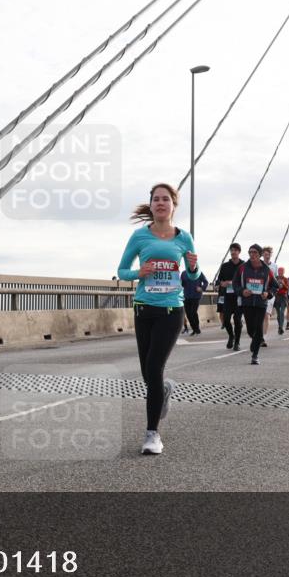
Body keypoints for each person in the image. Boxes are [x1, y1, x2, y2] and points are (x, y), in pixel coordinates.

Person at [117, 182, 197, 456]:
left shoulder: (184, 237)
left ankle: (152, 434)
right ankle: (163, 390)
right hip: (143, 310)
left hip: (172, 311)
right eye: (156, 199)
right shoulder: (140, 237)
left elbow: (193, 276)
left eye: (166, 199)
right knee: (147, 374)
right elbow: (121, 270)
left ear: (173, 205)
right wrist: (140, 272)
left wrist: (195, 268)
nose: (161, 203)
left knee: (153, 366)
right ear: (151, 206)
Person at [234, 244, 278, 365]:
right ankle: (255, 341)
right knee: (250, 330)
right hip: (247, 303)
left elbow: (275, 286)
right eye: (250, 252)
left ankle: (255, 355)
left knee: (259, 327)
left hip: (260, 303)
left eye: (255, 252)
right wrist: (242, 291)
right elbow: (235, 283)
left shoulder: (267, 270)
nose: (252, 255)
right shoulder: (242, 268)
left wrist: (268, 294)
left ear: (260, 255)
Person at [216, 244, 245, 351]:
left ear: (239, 252)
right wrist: (222, 283)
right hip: (227, 297)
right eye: (232, 250)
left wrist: (235, 284)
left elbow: (247, 280)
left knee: (237, 320)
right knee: (226, 320)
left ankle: (237, 342)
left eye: (235, 250)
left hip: (239, 297)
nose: (233, 252)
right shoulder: (225, 266)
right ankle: (231, 336)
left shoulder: (244, 265)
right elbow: (218, 280)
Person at [181, 257, 208, 335]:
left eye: (194, 263)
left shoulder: (199, 273)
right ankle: (194, 329)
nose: (192, 265)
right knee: (189, 314)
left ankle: (197, 328)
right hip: (186, 296)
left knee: (193, 312)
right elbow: (181, 284)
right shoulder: (184, 273)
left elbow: (206, 282)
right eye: (190, 263)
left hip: (196, 296)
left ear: (196, 264)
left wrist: (201, 288)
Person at [261, 246, 276, 344]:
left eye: (269, 254)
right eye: (265, 254)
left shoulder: (274, 266)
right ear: (262, 255)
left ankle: (263, 337)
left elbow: (275, 281)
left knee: (266, 315)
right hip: (259, 293)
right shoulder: (258, 265)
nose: (267, 256)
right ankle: (258, 334)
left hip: (269, 294)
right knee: (259, 316)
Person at [273, 266, 289, 335]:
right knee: (278, 313)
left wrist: (283, 284)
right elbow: (273, 287)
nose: (280, 272)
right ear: (278, 272)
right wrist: (277, 284)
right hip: (276, 297)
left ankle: (281, 327)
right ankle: (279, 326)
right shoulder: (275, 278)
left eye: (282, 271)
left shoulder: (285, 279)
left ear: (284, 272)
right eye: (279, 271)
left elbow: (287, 288)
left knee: (282, 312)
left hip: (283, 297)